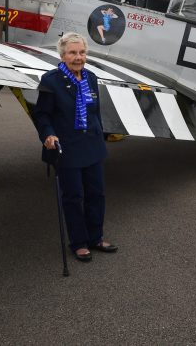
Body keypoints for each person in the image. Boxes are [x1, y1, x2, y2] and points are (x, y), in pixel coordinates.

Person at [33, 32, 118, 262]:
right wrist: (48, 134)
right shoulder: (51, 80)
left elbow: (95, 112)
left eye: (81, 52)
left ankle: (95, 237)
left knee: (96, 194)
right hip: (67, 146)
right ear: (62, 55)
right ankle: (79, 243)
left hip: (92, 145)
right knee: (73, 196)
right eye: (72, 52)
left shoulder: (90, 77)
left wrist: (101, 134)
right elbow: (42, 115)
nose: (78, 57)